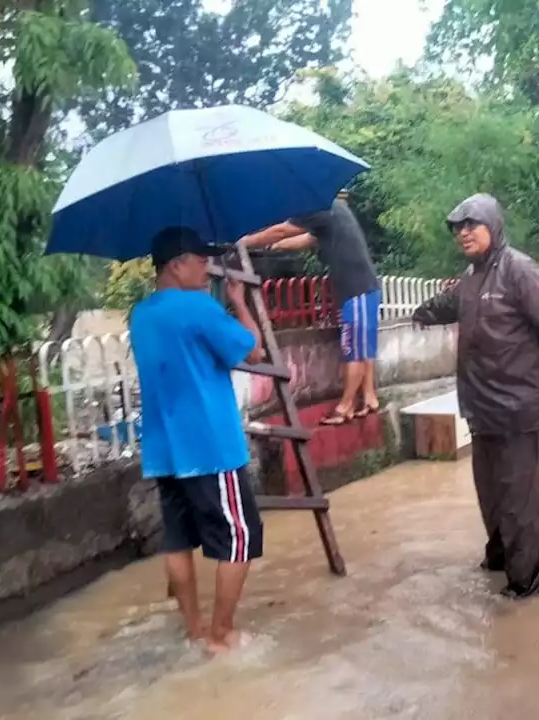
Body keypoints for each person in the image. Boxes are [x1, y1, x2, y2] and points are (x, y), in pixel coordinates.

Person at [412, 194, 539, 600]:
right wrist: (420, 313)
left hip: (525, 410)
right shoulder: (472, 278)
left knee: (523, 500)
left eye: (472, 224)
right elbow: (448, 305)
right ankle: (501, 557)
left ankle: (524, 584)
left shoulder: (520, 271)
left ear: (494, 226)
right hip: (483, 409)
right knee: (492, 494)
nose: (463, 232)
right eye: (457, 227)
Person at [129, 226, 266, 656]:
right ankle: (222, 634)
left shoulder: (141, 314)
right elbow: (254, 351)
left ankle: (194, 632)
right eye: (199, 259)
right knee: (241, 537)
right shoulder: (198, 308)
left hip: (164, 450)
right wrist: (240, 304)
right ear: (175, 264)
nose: (207, 267)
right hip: (210, 447)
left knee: (178, 539)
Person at [240, 192, 381, 426]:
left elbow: (283, 230)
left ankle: (344, 407)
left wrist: (244, 241)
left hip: (355, 290)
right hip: (366, 288)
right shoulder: (335, 208)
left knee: (352, 351)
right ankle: (369, 398)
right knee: (364, 349)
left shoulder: (319, 207)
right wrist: (274, 247)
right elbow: (306, 239)